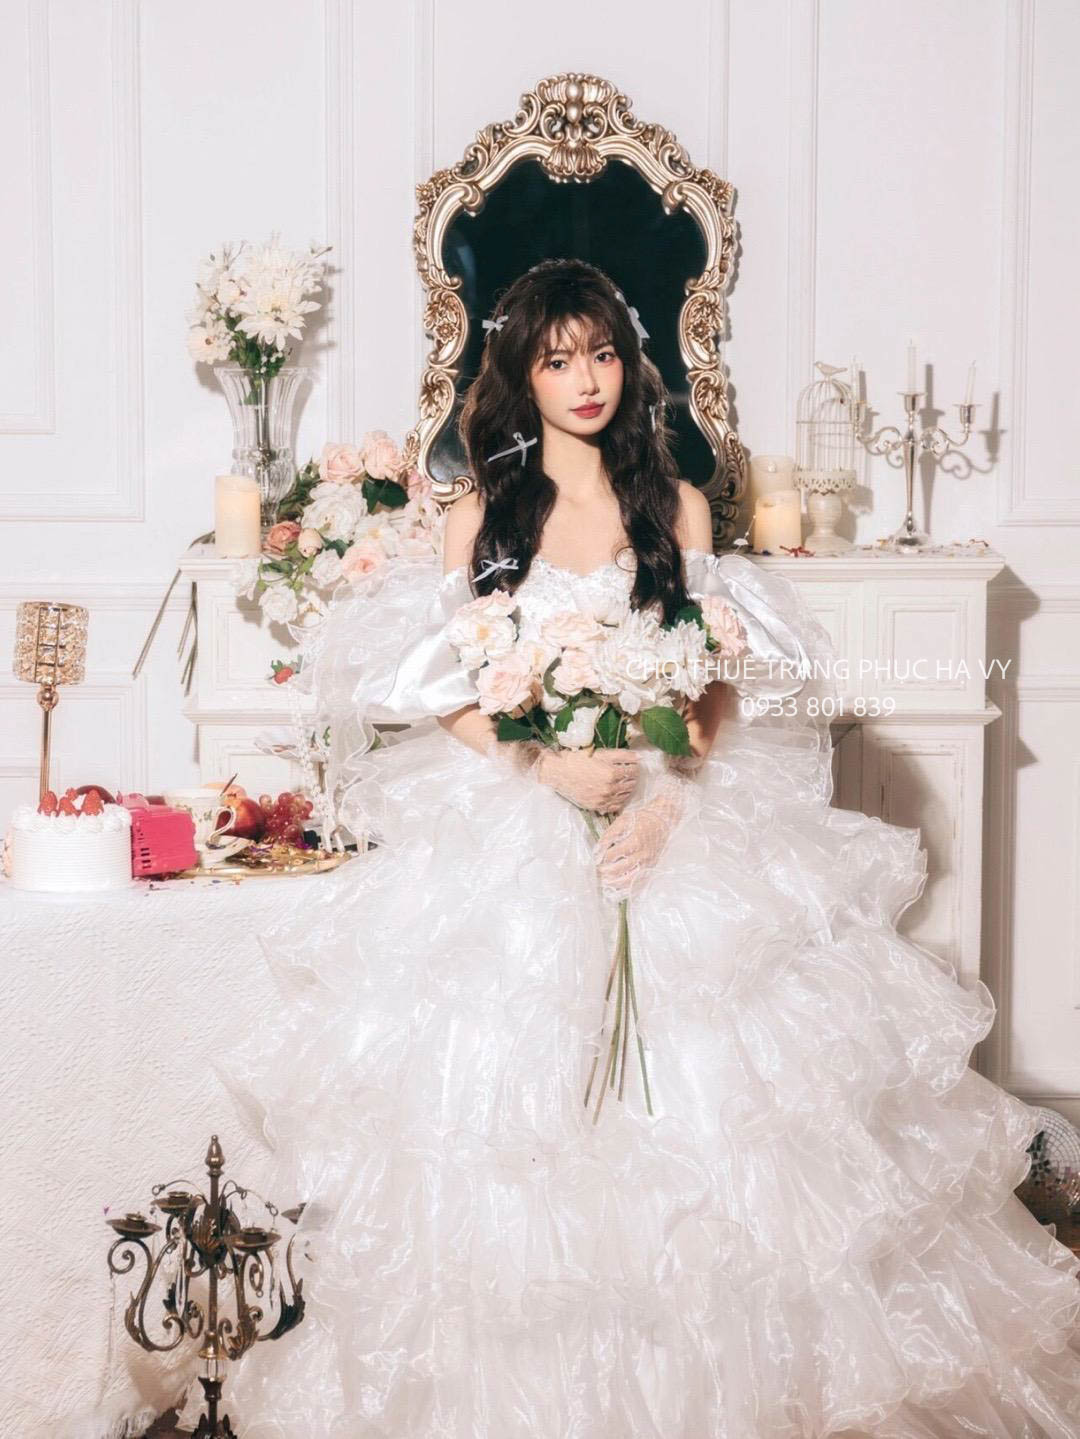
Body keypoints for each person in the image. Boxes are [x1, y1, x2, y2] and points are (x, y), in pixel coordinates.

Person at [209, 259, 1080, 1437]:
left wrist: (668, 798)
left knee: (720, 1112)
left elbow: (711, 674)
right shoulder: (482, 514)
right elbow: (443, 686)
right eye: (558, 358)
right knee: (523, 1113)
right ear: (520, 377)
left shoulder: (673, 504)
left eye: (605, 352)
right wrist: (546, 765)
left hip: (672, 817)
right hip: (520, 827)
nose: (587, 379)